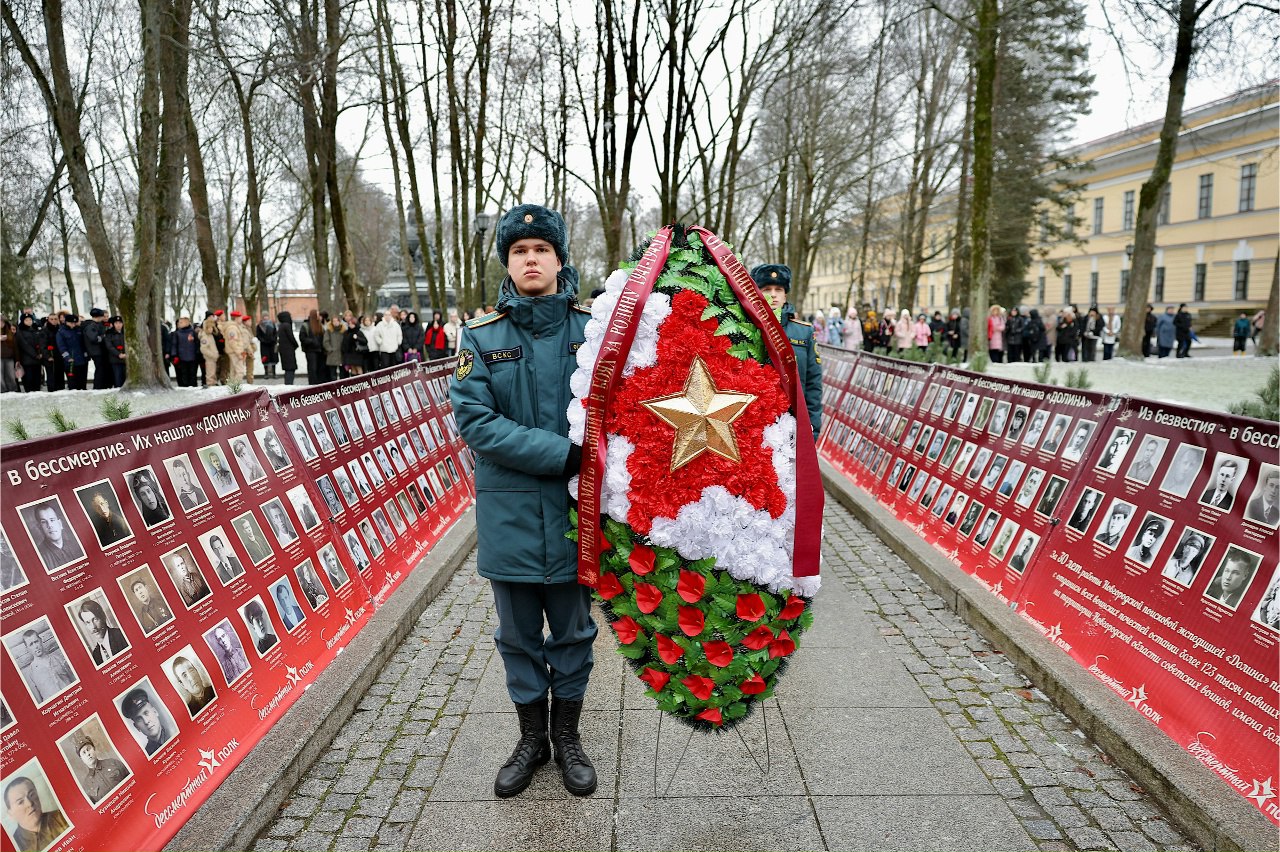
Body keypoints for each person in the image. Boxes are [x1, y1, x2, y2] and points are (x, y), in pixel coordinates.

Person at [449, 204, 597, 799]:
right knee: (517, 636)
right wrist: (562, 453)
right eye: (519, 251)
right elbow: (476, 421)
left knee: (573, 632)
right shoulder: (481, 337)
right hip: (509, 515)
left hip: (575, 514)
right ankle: (532, 739)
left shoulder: (595, 332)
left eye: (541, 249)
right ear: (507, 264)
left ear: (560, 260)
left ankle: (568, 738)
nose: (531, 259)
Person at [750, 263, 823, 440]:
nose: (773, 294)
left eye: (779, 289)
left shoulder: (804, 332)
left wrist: (813, 427)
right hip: (756, 424)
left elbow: (813, 384)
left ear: (785, 295)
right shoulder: (747, 329)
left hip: (792, 422)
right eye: (767, 289)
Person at [4, 775, 70, 851]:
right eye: (20, 802)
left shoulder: (62, 817)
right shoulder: (14, 846)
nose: (29, 803)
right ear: (10, 814)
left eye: (32, 795)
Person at [17, 628, 75, 702]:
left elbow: (73, 679)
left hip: (71, 698)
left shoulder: (57, 658)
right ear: (27, 648)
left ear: (41, 641)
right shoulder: (31, 673)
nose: (36, 646)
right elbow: (39, 701)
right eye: (31, 644)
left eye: (36, 641)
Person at [70, 733, 130, 802]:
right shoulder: (87, 785)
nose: (88, 754)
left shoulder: (113, 763)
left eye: (88, 749)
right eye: (84, 752)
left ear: (94, 749)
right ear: (82, 759)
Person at [30, 503, 84, 571]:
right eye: (44, 522)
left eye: (52, 520)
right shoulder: (39, 556)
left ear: (60, 524)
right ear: (40, 528)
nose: (50, 525)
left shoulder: (76, 545)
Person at [121, 688, 173, 755]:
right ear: (137, 727)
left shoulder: (173, 732)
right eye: (139, 719)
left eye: (146, 713)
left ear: (155, 711)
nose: (146, 721)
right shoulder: (147, 753)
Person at [77, 599, 129, 665]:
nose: (93, 626)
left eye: (95, 619)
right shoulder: (96, 655)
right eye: (88, 622)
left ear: (103, 617)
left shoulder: (121, 635)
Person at [56, 315, 88, 389]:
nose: (73, 325)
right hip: (71, 361)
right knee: (73, 383)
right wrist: (67, 357)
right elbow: (61, 347)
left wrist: (86, 356)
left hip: (82, 360)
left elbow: (84, 344)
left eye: (74, 323)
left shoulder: (78, 330)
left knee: (82, 382)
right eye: (71, 323)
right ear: (66, 322)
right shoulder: (61, 332)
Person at [300, 309, 325, 384]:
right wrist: (312, 342)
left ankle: (319, 383)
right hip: (310, 350)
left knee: (320, 368)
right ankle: (313, 384)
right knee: (312, 368)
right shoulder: (306, 325)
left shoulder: (320, 325)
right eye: (318, 314)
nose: (319, 316)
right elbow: (302, 338)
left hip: (320, 350)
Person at [103, 316, 127, 386]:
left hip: (126, 358)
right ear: (113, 324)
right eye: (116, 323)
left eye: (120, 323)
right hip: (115, 359)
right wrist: (119, 354)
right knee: (118, 378)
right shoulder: (109, 333)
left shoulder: (126, 332)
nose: (118, 325)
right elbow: (109, 346)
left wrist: (126, 354)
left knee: (126, 378)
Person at [276, 311, 299, 385]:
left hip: (284, 351)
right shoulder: (287, 325)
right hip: (289, 351)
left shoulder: (281, 326)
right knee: (290, 369)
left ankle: (288, 383)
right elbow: (291, 337)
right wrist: (296, 345)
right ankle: (289, 384)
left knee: (288, 369)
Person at [255, 313, 278, 379]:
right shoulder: (260, 325)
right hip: (264, 345)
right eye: (264, 316)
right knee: (265, 358)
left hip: (272, 344)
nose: (266, 317)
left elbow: (275, 333)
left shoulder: (272, 324)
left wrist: (273, 339)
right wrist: (263, 340)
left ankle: (274, 373)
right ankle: (266, 373)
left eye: (267, 316)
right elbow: (258, 335)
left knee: (273, 358)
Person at [323, 315, 344, 381]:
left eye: (337, 321)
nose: (335, 322)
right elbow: (325, 341)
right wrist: (330, 349)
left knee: (342, 373)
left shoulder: (343, 330)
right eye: (334, 321)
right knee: (332, 373)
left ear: (339, 321)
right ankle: (334, 385)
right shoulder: (329, 331)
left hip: (341, 354)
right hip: (332, 354)